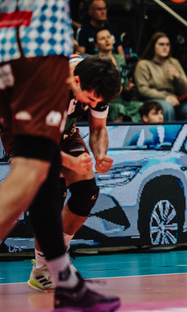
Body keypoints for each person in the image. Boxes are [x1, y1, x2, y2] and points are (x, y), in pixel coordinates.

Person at [0, 0, 136, 309]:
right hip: (38, 48)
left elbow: (97, 127)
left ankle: (60, 277)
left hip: (5, 47)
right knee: (28, 177)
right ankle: (61, 278)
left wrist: (95, 155)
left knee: (45, 183)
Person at [25, 56, 121, 292]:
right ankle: (43, 268)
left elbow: (98, 129)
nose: (93, 103)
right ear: (76, 82)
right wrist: (70, 162)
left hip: (65, 128)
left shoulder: (96, 79)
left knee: (87, 192)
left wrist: (100, 155)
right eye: (90, 99)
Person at [134, 32, 187, 122]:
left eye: (167, 44)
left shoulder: (174, 62)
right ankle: (168, 132)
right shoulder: (143, 64)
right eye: (161, 44)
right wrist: (165, 97)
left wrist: (178, 77)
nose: (165, 47)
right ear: (153, 46)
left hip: (175, 99)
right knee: (166, 107)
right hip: (152, 100)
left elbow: (185, 88)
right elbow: (143, 90)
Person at [95, 28, 143, 122]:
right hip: (104, 100)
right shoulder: (93, 60)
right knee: (118, 108)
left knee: (141, 106)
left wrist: (128, 89)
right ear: (96, 45)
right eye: (102, 38)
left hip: (121, 99)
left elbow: (124, 87)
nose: (107, 40)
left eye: (109, 37)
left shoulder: (120, 59)